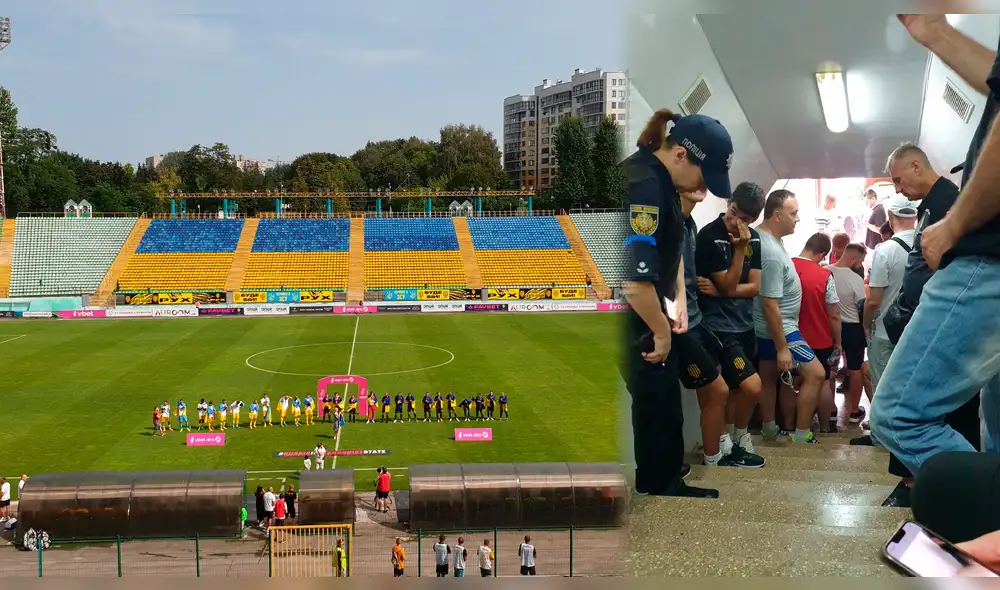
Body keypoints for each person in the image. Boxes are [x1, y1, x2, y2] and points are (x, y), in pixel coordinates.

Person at [870, 13, 1000, 478]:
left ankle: (983, 520)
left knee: (899, 416)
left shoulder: (945, 202)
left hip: (987, 259)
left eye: (897, 177)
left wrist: (955, 225)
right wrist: (935, 33)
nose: (896, 188)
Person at [621, 107, 735, 498]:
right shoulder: (646, 187)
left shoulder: (662, 181)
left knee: (664, 394)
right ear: (682, 155)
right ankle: (659, 481)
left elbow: (669, 252)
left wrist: (678, 301)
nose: (703, 189)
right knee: (657, 396)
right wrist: (660, 331)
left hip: (651, 308)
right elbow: (635, 281)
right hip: (634, 315)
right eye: (704, 177)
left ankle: (664, 471)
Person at [675, 188, 765, 469]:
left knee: (731, 390)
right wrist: (738, 252)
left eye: (745, 218)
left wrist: (724, 290)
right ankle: (725, 446)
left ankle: (727, 443)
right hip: (714, 326)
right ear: (729, 203)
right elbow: (729, 285)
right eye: (734, 211)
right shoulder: (709, 235)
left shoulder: (754, 237)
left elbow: (754, 287)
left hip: (742, 324)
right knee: (744, 387)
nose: (736, 220)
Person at [754, 190, 826, 443]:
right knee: (816, 373)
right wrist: (783, 347)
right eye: (793, 213)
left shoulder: (771, 239)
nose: (797, 219)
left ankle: (770, 429)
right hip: (781, 328)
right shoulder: (771, 253)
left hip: (773, 327)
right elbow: (770, 304)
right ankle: (800, 434)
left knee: (770, 377)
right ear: (776, 215)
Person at [863, 195, 918, 390]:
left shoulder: (886, 250)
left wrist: (866, 325)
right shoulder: (928, 244)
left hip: (886, 330)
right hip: (917, 330)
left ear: (890, 215)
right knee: (910, 388)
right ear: (915, 215)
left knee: (884, 390)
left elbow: (873, 300)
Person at [791, 233, 842, 433]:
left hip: (789, 336)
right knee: (822, 381)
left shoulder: (786, 266)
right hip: (819, 338)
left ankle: (787, 426)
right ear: (822, 254)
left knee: (790, 381)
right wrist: (838, 342)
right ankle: (824, 428)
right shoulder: (824, 276)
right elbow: (834, 314)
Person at [825, 242, 868, 423]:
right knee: (855, 370)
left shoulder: (825, 271)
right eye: (860, 261)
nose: (859, 265)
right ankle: (853, 411)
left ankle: (831, 409)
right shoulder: (855, 279)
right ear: (853, 258)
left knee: (831, 370)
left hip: (829, 327)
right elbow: (862, 306)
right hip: (852, 327)